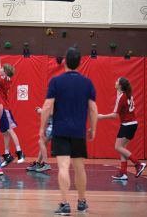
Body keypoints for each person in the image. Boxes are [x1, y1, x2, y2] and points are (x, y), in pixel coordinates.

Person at [40, 47, 98, 214]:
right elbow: (93, 109)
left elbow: (47, 106)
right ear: (80, 63)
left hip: (61, 131)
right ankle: (82, 202)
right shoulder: (87, 83)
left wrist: (41, 129)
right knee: (80, 168)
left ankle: (64, 204)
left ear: (65, 60)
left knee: (63, 167)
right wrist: (93, 129)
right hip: (79, 132)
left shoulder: (56, 81)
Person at [98, 77, 146, 181]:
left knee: (118, 147)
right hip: (132, 124)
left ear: (120, 85)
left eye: (117, 82)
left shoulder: (122, 97)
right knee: (122, 149)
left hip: (128, 125)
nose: (115, 82)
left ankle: (138, 164)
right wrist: (117, 90)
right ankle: (123, 173)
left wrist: (101, 117)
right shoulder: (126, 95)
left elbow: (115, 115)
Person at [0, 39, 25, 167]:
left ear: (6, 71)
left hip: (5, 109)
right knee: (4, 132)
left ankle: (20, 152)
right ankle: (7, 154)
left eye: (2, 69)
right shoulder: (3, 75)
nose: (0, 68)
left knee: (10, 130)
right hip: (1, 109)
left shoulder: (5, 79)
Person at [26, 107, 52, 172]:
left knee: (41, 142)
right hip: (53, 125)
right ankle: (38, 163)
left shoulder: (55, 100)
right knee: (42, 143)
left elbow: (52, 112)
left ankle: (46, 164)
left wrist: (41, 110)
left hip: (53, 126)